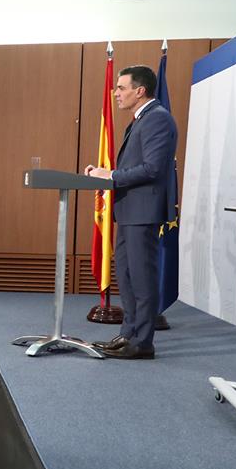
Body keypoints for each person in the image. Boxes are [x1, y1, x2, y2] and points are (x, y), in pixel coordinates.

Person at [85, 65, 178, 360]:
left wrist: (110, 176)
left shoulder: (157, 120)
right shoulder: (140, 121)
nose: (115, 94)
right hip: (129, 212)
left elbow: (152, 169)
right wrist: (107, 174)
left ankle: (142, 342)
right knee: (126, 276)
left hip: (143, 212)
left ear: (140, 91)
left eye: (121, 88)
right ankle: (128, 334)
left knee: (141, 278)